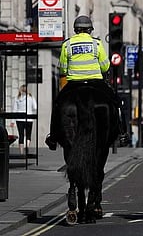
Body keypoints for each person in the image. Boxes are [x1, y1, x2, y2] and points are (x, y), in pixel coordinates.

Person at [45, 15, 121, 150]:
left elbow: (62, 67)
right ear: (90, 30)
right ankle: (122, 132)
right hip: (95, 81)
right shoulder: (96, 44)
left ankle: (53, 137)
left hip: (74, 82)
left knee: (58, 105)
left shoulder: (67, 44)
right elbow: (105, 66)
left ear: (75, 30)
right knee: (115, 101)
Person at [13, 84, 37, 154]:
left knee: (21, 135)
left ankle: (21, 152)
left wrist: (12, 120)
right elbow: (35, 107)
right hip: (29, 118)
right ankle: (27, 145)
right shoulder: (31, 97)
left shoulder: (17, 98)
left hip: (19, 118)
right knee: (28, 135)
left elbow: (14, 109)